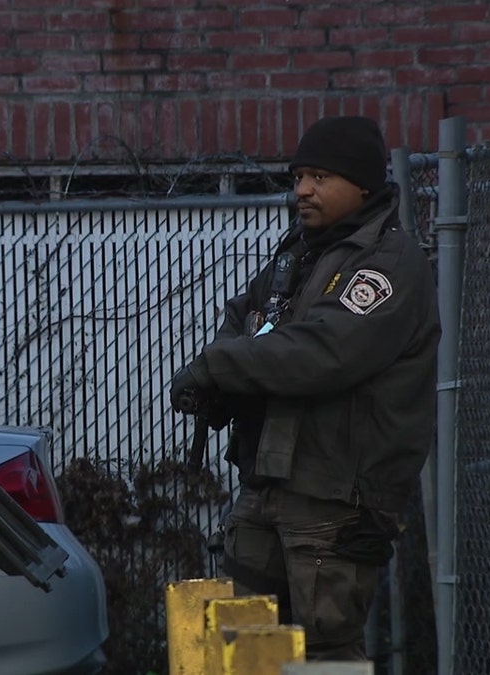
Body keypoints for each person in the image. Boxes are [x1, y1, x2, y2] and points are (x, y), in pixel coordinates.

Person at [170, 116, 440, 661]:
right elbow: (247, 319)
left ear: (362, 184)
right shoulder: (298, 252)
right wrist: (222, 382)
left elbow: (324, 352)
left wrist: (221, 367)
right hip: (269, 481)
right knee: (243, 641)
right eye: (298, 177)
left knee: (324, 648)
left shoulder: (388, 264)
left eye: (320, 177)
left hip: (335, 496)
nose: (303, 191)